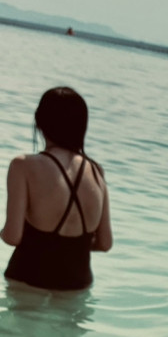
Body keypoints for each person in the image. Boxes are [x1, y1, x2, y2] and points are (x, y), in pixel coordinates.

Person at [2, 86, 112, 290]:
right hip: (77, 285)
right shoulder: (96, 171)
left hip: (28, 280)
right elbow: (105, 243)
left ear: (40, 121)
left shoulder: (23, 166)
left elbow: (12, 236)